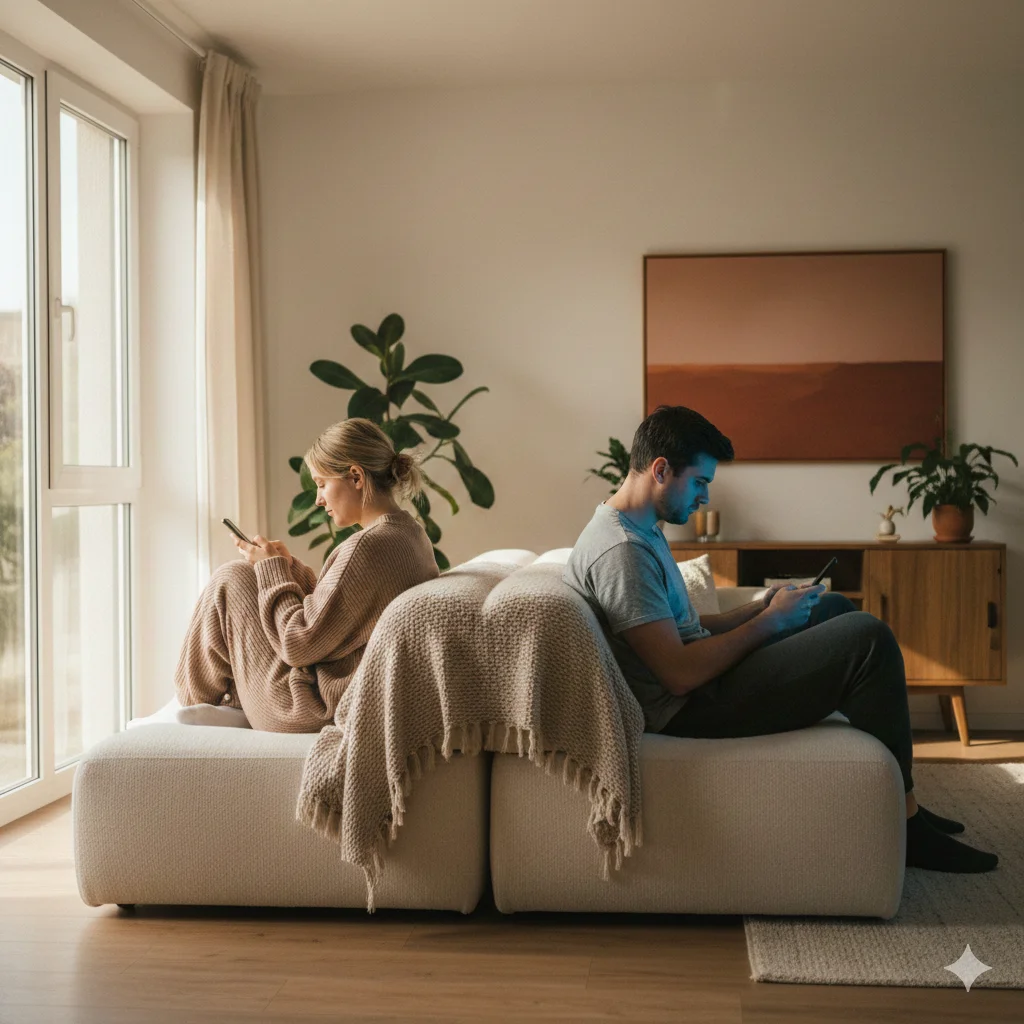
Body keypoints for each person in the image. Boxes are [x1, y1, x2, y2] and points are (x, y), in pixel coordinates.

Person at [564, 404, 998, 873]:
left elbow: (683, 630)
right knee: (867, 638)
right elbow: (678, 674)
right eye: (700, 482)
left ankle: (900, 794)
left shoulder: (641, 528)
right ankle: (908, 827)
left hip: (702, 680)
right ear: (661, 470)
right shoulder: (622, 552)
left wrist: (761, 606)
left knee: (832, 608)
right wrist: (768, 625)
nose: (704, 498)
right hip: (693, 706)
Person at [174, 418, 439, 732]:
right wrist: (287, 567)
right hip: (335, 688)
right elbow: (340, 617)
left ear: (355, 477)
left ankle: (194, 709)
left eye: (322, 484)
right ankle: (221, 705)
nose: (318, 499)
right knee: (245, 574)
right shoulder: (408, 533)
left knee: (230, 579)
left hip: (310, 705)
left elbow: (298, 644)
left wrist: (271, 570)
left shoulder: (366, 547)